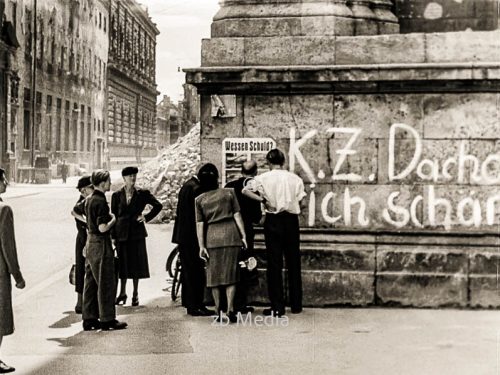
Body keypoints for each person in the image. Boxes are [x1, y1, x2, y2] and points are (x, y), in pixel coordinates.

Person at [243, 149, 306, 317]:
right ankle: (296, 304)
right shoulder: (295, 179)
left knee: (274, 264)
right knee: (293, 262)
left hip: (273, 221)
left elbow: (245, 190)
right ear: (283, 161)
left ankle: (277, 306)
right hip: (291, 221)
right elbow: (302, 199)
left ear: (268, 162)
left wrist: (263, 200)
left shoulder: (262, 178)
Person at [195, 165, 247, 323]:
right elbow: (237, 215)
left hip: (212, 238)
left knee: (214, 276)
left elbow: (200, 224)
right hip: (231, 235)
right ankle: (230, 308)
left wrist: (201, 246)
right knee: (231, 274)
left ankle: (218, 310)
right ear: (217, 178)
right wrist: (243, 236)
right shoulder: (229, 193)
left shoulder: (199, 200)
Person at [82, 170, 127, 331]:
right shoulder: (100, 202)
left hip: (90, 243)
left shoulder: (88, 199)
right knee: (106, 281)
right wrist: (113, 219)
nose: (110, 184)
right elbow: (102, 228)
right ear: (102, 183)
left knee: (91, 282)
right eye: (108, 181)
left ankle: (89, 318)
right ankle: (107, 319)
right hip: (101, 243)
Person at [112, 166, 162, 306]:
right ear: (124, 179)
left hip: (136, 234)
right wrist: (113, 236)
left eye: (134, 176)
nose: (132, 178)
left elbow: (158, 206)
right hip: (121, 234)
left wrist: (146, 217)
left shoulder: (142, 193)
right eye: (129, 176)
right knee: (122, 264)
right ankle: (122, 293)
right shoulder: (117, 195)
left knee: (135, 265)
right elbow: (114, 216)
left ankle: (135, 294)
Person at [172, 164, 215, 317]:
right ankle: (196, 305)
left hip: (183, 235)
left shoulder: (187, 185)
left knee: (188, 270)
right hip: (192, 237)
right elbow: (199, 216)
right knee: (195, 272)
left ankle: (188, 302)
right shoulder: (197, 188)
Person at [224, 160, 262, 313]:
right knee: (244, 265)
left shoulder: (229, 186)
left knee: (230, 265)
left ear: (241, 171)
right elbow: (256, 217)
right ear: (256, 172)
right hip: (246, 231)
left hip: (229, 230)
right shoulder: (253, 189)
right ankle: (240, 303)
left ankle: (227, 304)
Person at [0, 168, 26, 373]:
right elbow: (8, 247)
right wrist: (17, 276)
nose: (6, 182)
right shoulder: (4, 210)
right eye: (3, 179)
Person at [70, 176, 94, 314]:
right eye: (91, 188)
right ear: (84, 190)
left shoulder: (89, 201)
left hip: (86, 238)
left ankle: (84, 301)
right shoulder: (82, 203)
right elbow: (74, 212)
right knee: (81, 270)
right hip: (83, 239)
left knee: (85, 270)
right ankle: (80, 301)